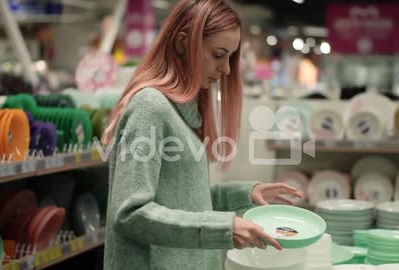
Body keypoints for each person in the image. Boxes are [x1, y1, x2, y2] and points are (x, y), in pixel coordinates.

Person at [101, 0, 303, 269]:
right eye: (218, 54)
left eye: (230, 57)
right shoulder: (150, 106)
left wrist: (244, 194)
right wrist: (223, 228)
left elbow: (183, 199)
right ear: (183, 43)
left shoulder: (185, 111)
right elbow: (130, 214)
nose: (227, 69)